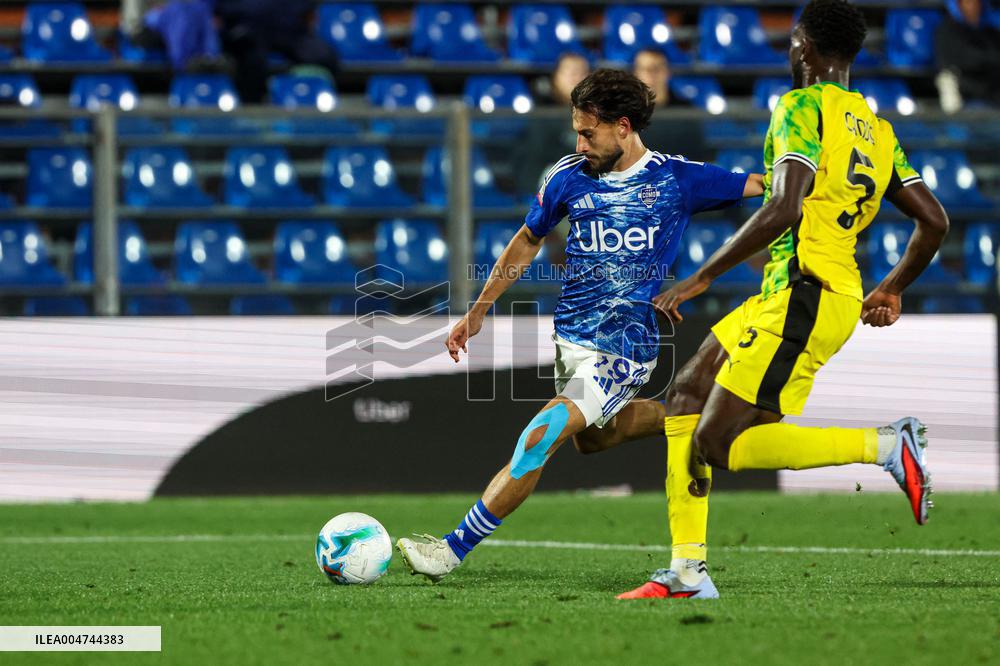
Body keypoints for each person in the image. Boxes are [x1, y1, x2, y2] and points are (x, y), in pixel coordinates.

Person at [613, 0, 949, 600]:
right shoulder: (877, 130)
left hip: (805, 297)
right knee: (686, 393)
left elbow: (784, 205)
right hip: (809, 293)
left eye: (795, 41)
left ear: (804, 48)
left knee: (715, 443)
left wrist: (701, 278)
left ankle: (884, 444)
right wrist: (891, 287)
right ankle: (687, 572)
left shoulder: (799, 107)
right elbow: (934, 221)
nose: (792, 50)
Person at [396, 68, 765, 583]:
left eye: (587, 132)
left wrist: (815, 181)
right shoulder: (567, 175)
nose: (579, 142)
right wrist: (478, 310)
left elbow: (767, 187)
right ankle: (689, 415)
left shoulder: (677, 180)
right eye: (576, 131)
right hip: (572, 340)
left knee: (539, 435)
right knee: (592, 439)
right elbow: (528, 239)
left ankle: (451, 550)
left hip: (626, 346)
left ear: (622, 126)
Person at [214, 0, 339, 104]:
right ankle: (251, 109)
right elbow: (224, 10)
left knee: (324, 54)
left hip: (286, 30)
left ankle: (322, 101)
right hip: (249, 32)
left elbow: (304, 8)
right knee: (252, 59)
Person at [935, 0, 1000, 112]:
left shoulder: (991, 33)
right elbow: (954, 62)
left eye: (976, 3)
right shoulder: (946, 31)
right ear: (958, 6)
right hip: (964, 97)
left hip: (992, 97)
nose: (973, 7)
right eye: (968, 3)